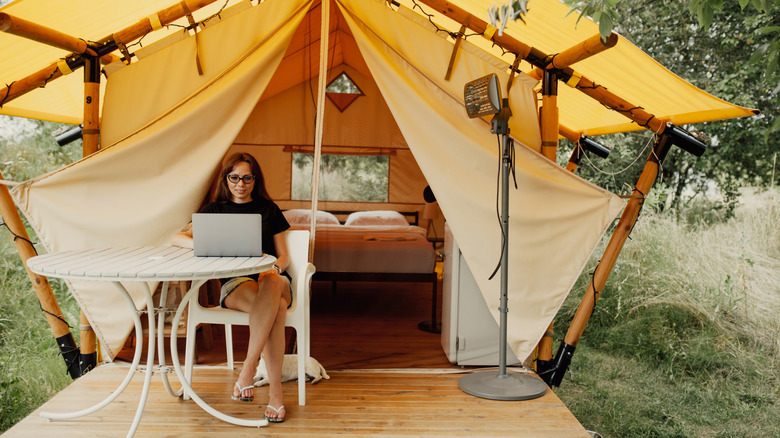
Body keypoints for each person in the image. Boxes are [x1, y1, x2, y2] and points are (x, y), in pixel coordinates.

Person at [171, 152, 291, 423]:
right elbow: (177, 238)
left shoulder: (268, 209)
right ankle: (276, 396)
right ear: (226, 179)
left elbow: (283, 256)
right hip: (237, 284)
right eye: (234, 177)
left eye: (247, 178)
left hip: (273, 278)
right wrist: (203, 244)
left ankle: (247, 370)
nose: (240, 183)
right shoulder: (214, 211)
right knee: (278, 310)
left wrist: (275, 269)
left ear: (254, 179)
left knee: (272, 285)